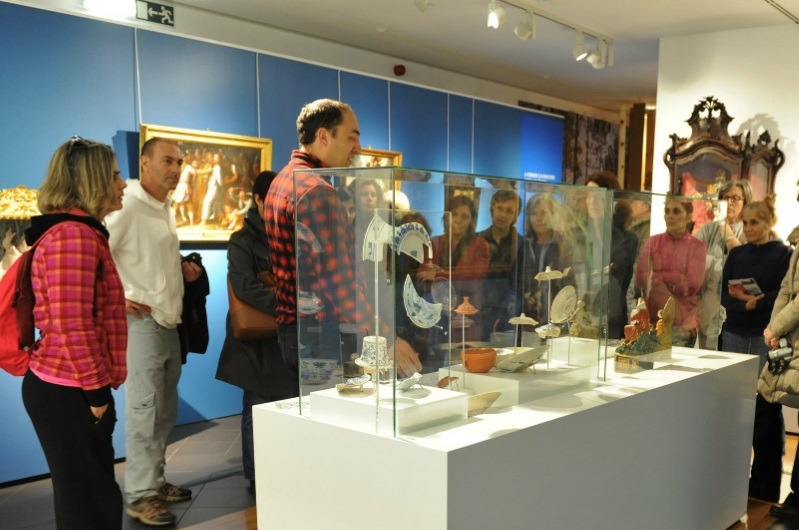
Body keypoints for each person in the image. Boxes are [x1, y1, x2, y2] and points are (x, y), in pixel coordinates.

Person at [264, 99, 422, 379]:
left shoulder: (282, 181)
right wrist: (386, 338)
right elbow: (340, 285)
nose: (358, 148)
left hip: (294, 330)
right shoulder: (317, 192)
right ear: (324, 136)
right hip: (321, 334)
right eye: (352, 137)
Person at [21, 136, 127, 530]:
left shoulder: (76, 232)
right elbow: (72, 323)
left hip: (68, 385)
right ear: (90, 181)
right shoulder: (74, 235)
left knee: (84, 500)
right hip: (70, 389)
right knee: (91, 508)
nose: (123, 184)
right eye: (114, 175)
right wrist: (97, 394)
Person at [105, 137, 202, 527]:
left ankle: (154, 483)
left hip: (166, 321)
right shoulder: (128, 204)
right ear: (145, 162)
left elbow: (143, 256)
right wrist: (116, 296)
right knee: (145, 411)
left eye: (178, 161)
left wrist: (180, 269)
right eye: (167, 161)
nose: (175, 168)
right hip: (141, 324)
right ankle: (140, 494)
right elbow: (99, 253)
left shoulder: (163, 206)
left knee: (163, 411)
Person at [216, 170, 297, 495]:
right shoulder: (242, 240)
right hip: (257, 339)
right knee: (256, 406)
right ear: (260, 200)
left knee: (287, 406)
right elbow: (244, 286)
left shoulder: (290, 235)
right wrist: (287, 304)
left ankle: (285, 471)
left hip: (283, 335)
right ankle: (257, 477)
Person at [720, 196, 790, 503]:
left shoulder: (784, 254)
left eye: (755, 222)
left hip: (767, 336)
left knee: (766, 407)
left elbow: (786, 293)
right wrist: (741, 303)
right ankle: (734, 479)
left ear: (769, 222)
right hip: (735, 332)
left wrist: (757, 302)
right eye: (745, 223)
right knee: (735, 406)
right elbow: (724, 291)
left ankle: (765, 484)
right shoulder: (737, 253)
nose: (748, 228)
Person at [634, 196, 707, 346]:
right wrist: (677, 277)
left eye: (676, 211)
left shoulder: (697, 246)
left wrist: (658, 278)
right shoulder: (653, 242)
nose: (670, 216)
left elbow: (691, 285)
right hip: (653, 319)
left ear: (688, 216)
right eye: (667, 211)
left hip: (683, 323)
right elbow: (641, 279)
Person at [418, 193, 490, 341]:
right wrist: (452, 278)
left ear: (471, 221)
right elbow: (422, 277)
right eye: (454, 214)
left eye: (464, 217)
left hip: (466, 314)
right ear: (447, 217)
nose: (458, 220)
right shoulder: (434, 242)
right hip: (435, 315)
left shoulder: (480, 245)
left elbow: (473, 281)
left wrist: (439, 275)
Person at [695, 179, 753, 349]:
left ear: (746, 202)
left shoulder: (751, 230)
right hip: (707, 305)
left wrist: (728, 235)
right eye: (725, 197)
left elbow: (747, 267)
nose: (729, 202)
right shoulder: (708, 229)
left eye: (735, 198)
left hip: (738, 310)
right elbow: (693, 262)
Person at [584, 172, 637, 339]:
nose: (592, 202)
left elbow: (623, 282)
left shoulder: (627, 239)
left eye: (598, 197)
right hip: (582, 316)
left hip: (612, 320)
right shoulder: (579, 235)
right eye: (588, 196)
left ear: (612, 200)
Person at [513, 192, 575, 325]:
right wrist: (527, 297)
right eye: (533, 214)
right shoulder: (525, 244)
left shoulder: (562, 244)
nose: (538, 218)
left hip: (556, 314)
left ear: (553, 215)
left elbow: (568, 281)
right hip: (527, 316)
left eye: (543, 213)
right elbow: (516, 279)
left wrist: (542, 293)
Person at [477, 189, 520, 340]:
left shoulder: (522, 244)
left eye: (509, 211)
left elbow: (522, 283)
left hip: (510, 314)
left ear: (515, 216)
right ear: (492, 209)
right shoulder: (477, 240)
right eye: (499, 208)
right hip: (480, 311)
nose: (502, 215)